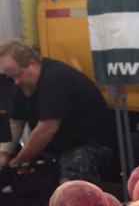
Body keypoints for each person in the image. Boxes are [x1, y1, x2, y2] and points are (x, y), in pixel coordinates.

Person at [0, 37, 117, 184]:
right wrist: (4, 153)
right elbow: (15, 122)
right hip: (60, 149)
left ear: (33, 64)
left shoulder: (55, 78)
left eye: (18, 75)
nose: (16, 82)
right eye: (11, 77)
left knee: (71, 174)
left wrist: (19, 162)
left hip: (94, 146)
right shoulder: (21, 85)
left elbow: (47, 129)